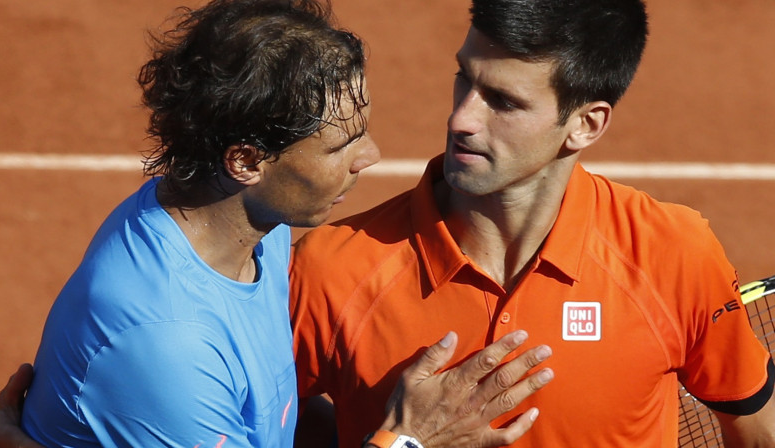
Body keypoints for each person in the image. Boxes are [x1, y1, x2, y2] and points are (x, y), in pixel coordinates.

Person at [0, 1, 554, 447]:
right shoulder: (167, 344)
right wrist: (411, 439)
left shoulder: (251, 224)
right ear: (247, 161)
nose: (370, 157)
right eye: (340, 146)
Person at [289, 0, 775, 447]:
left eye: (503, 101)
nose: (461, 119)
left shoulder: (673, 255)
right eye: (464, 78)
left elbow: (759, 435)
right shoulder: (328, 274)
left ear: (585, 124)